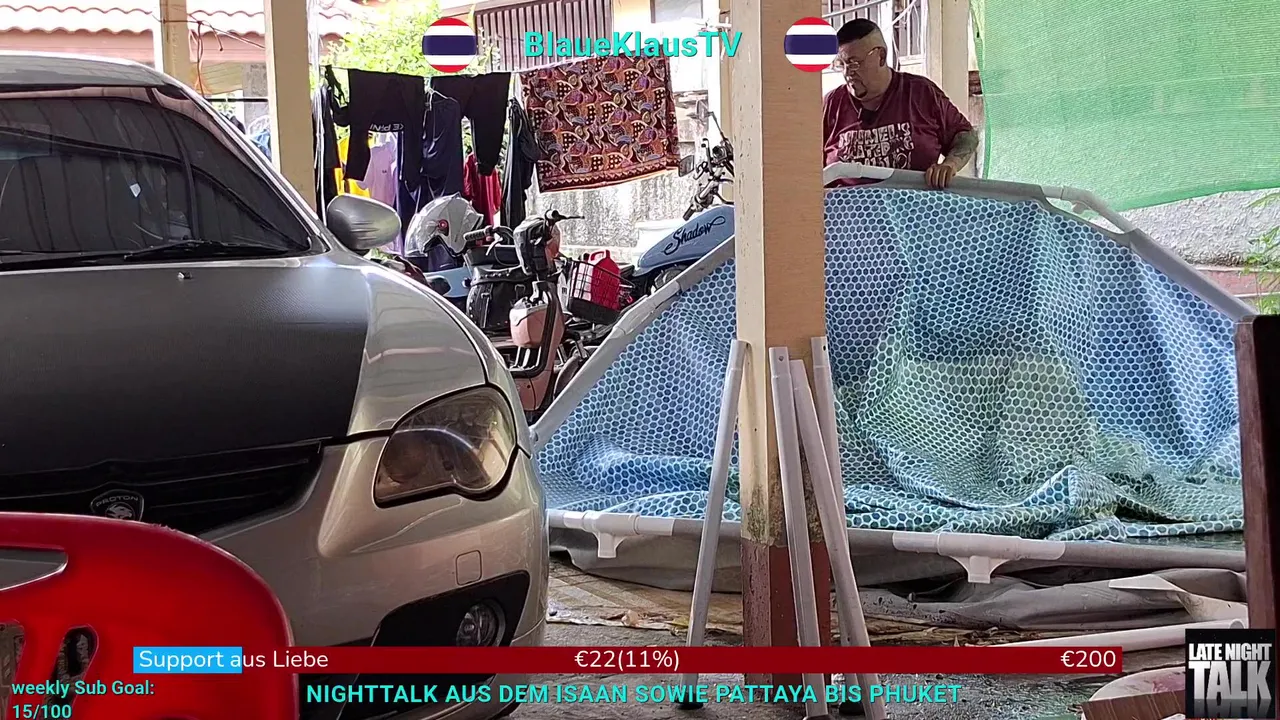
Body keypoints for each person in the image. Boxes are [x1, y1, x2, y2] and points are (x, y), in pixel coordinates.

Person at [823, 19, 979, 189]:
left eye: (855, 63)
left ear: (881, 56)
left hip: (915, 204)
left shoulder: (921, 93)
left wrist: (950, 165)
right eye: (841, 64)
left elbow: (965, 135)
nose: (847, 73)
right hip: (849, 205)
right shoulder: (831, 104)